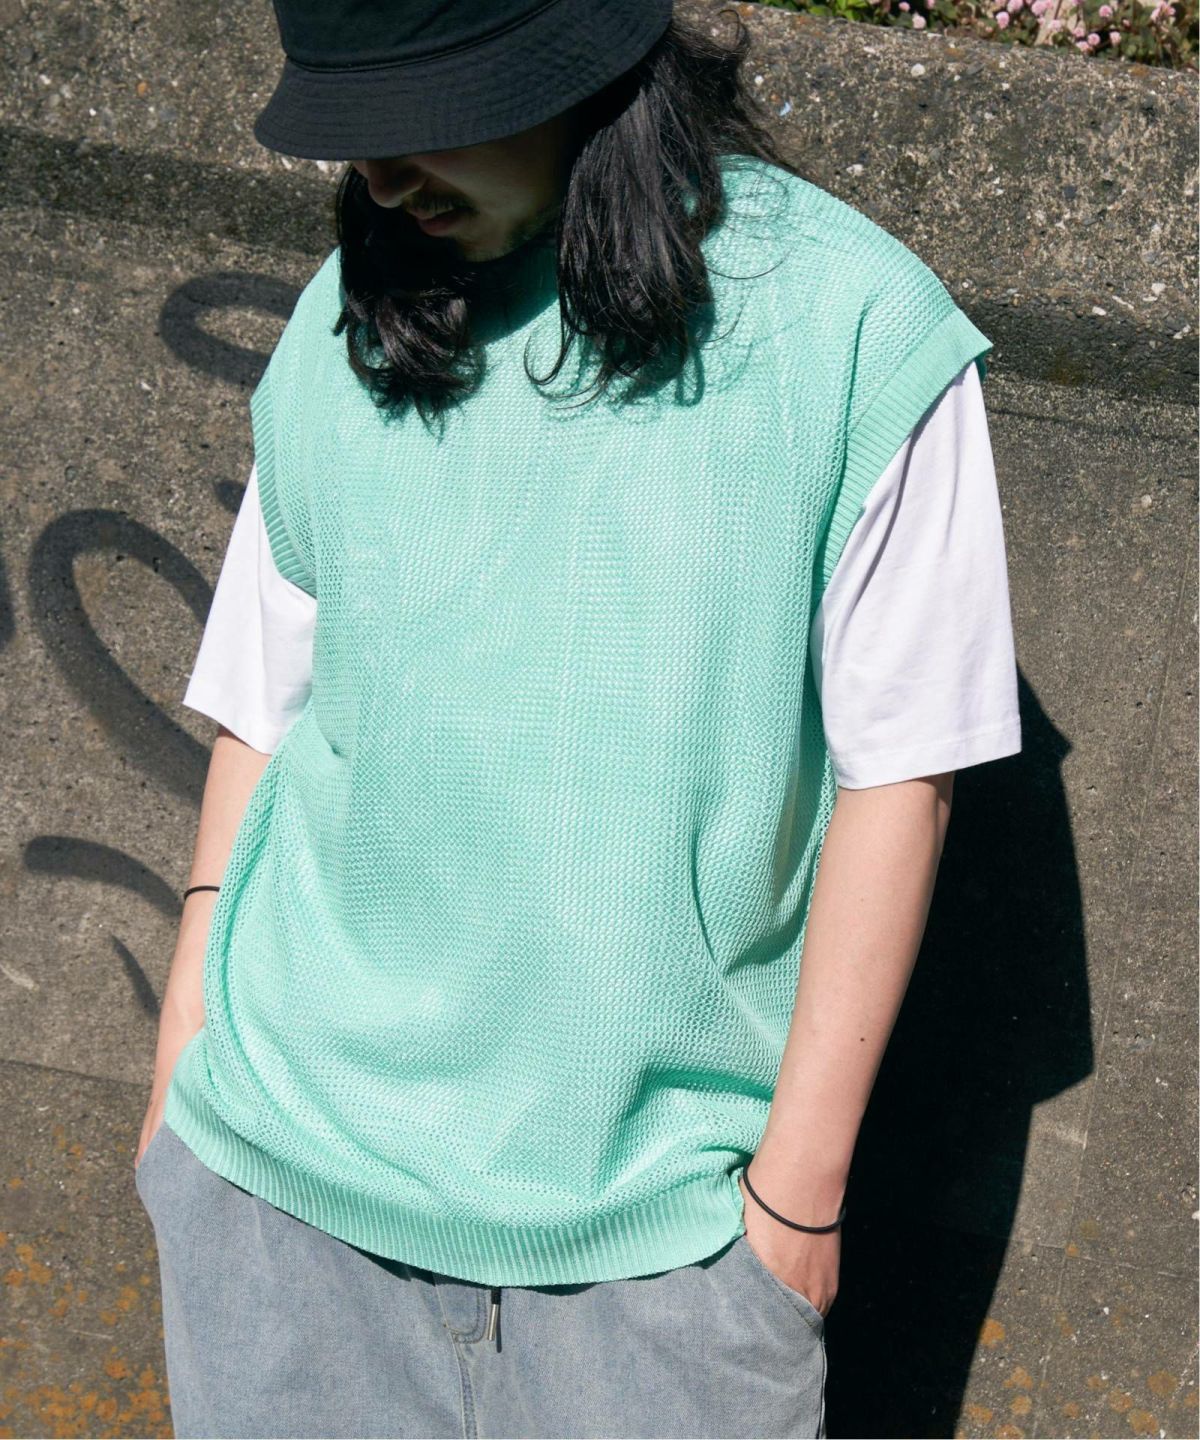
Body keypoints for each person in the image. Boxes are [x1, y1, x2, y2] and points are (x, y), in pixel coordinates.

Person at [132, 1, 1023, 1436]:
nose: (381, 176)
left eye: (429, 116)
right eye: (357, 134)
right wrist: (184, 1057)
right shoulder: (352, 309)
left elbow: (901, 779)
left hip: (660, 1265)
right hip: (275, 1201)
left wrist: (794, 1207)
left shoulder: (857, 330)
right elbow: (263, 707)